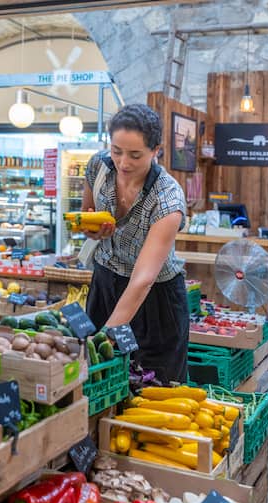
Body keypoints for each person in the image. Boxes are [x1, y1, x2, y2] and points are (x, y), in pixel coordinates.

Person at [81, 104, 189, 384]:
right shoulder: (98, 166)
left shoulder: (168, 198)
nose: (123, 163)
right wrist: (93, 231)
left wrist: (107, 336)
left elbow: (143, 279)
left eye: (135, 155)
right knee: (99, 382)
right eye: (117, 151)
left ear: (156, 151)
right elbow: (87, 218)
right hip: (105, 284)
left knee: (152, 386)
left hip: (154, 300)